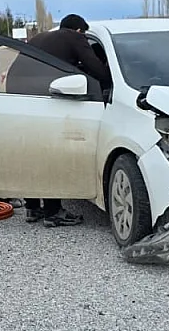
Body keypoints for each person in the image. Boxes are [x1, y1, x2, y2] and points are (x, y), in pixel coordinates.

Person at [16, 14, 112, 226]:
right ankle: (53, 212)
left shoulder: (38, 38)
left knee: (34, 153)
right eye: (83, 35)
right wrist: (108, 76)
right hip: (51, 102)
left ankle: (32, 207)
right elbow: (98, 71)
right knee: (52, 155)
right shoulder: (75, 37)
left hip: (25, 101)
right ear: (79, 30)